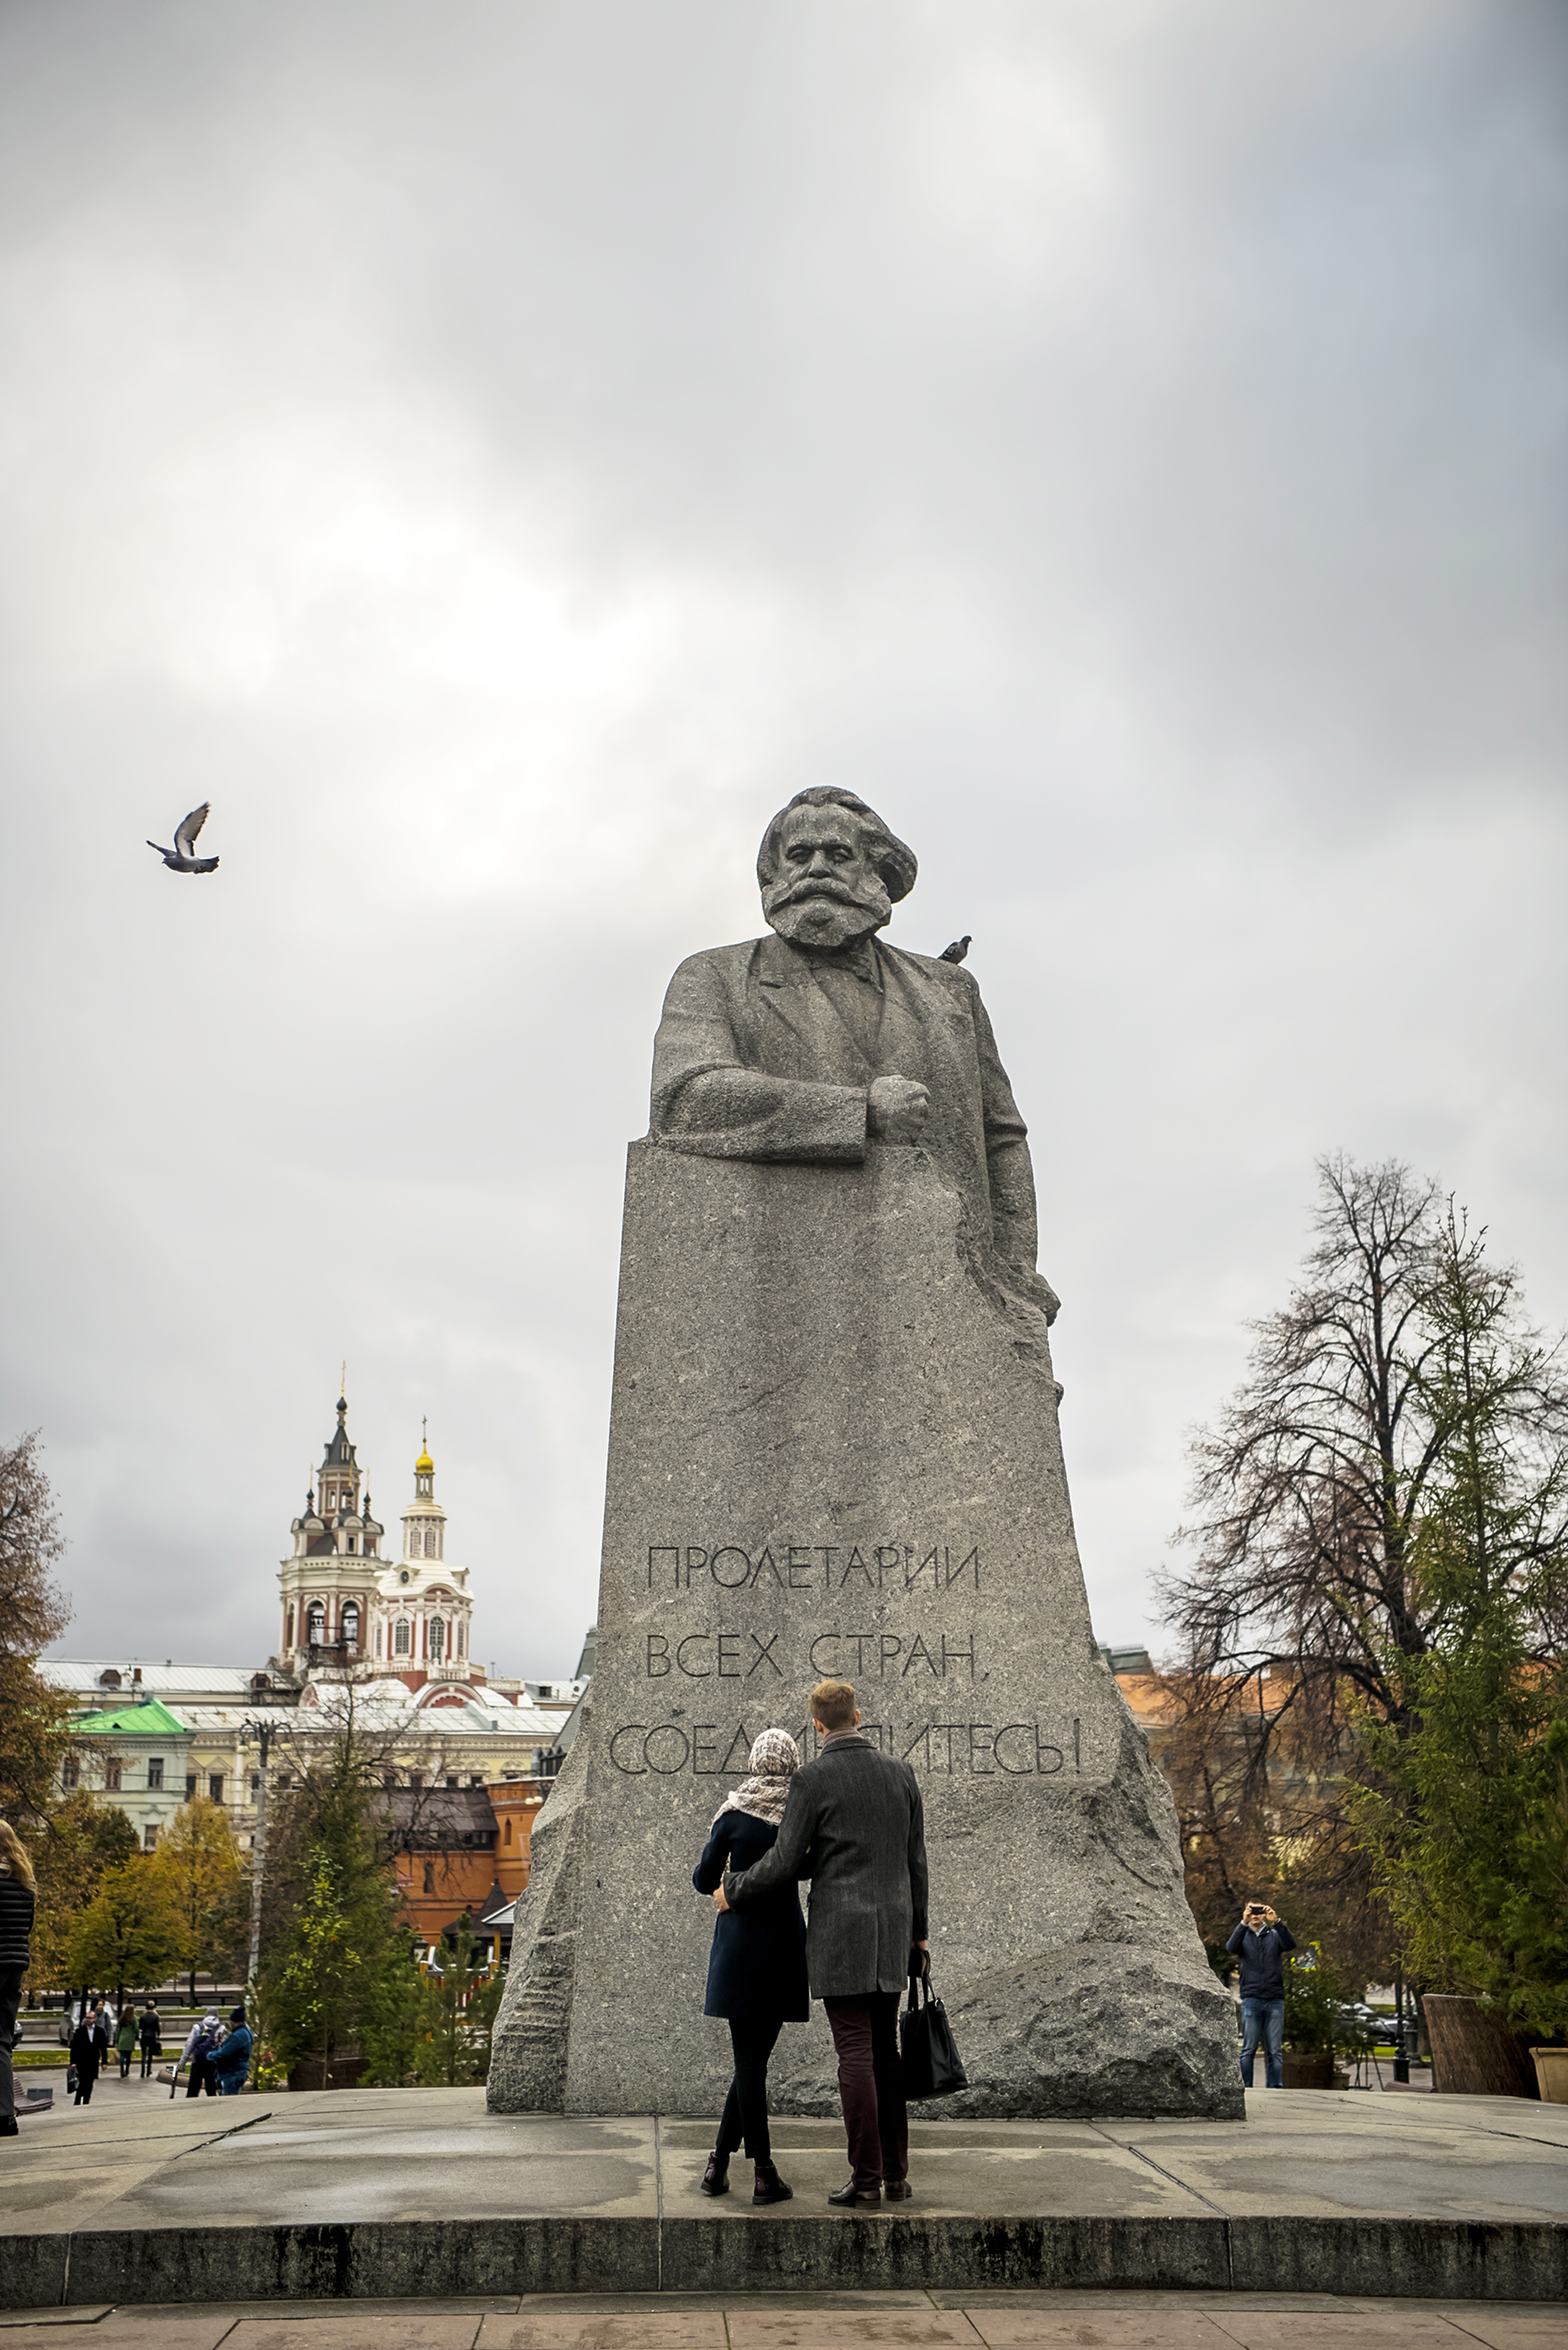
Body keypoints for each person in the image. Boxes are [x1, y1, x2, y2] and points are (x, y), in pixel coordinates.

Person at [650, 788, 1058, 1327]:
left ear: (874, 872)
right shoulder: (713, 977)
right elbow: (684, 1098)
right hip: (782, 1294)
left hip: (954, 1291)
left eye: (838, 856)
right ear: (773, 876)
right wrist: (857, 1112)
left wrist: (1014, 1271)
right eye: (799, 857)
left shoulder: (951, 990)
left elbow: (1001, 1136)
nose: (817, 869)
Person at [715, 1678, 928, 2207]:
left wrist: (733, 1890)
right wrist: (919, 1935)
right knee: (886, 2051)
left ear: (816, 1725)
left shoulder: (813, 1778)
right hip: (895, 1930)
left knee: (854, 2050)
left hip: (841, 1933)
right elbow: (916, 1863)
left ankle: (865, 2178)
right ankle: (896, 2174)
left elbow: (786, 1862)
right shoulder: (901, 1773)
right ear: (858, 1715)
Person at [691, 1729, 809, 2206]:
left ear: (757, 1761)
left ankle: (729, 2166)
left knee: (749, 2064)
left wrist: (729, 1878)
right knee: (753, 2062)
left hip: (739, 1948)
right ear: (791, 1762)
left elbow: (703, 1880)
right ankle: (752, 2170)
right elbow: (804, 1869)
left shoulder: (734, 1812)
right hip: (781, 1946)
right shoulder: (799, 1815)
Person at [1226, 1902, 1296, 2090]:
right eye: (1252, 1911)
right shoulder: (1243, 1936)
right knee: (1248, 2049)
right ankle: (1245, 2087)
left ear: (1265, 1914)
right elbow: (1231, 1947)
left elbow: (1290, 1944)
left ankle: (1275, 2086)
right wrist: (1243, 1922)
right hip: (1251, 1998)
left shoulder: (1274, 1935)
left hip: (1274, 1999)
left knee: (1274, 2050)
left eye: (1259, 1912)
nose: (1256, 1915)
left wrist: (1278, 1922)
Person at [0, 1821, 37, 2138]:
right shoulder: (25, 1886)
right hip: (15, 1968)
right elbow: (27, 1929)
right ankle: (5, 2117)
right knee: (2, 2041)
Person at [210, 2006, 253, 2097]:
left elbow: (223, 2054)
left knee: (228, 2101)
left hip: (232, 2073)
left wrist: (210, 2055)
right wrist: (226, 2043)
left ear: (233, 2021)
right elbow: (235, 2048)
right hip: (239, 2072)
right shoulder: (245, 2032)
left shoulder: (238, 2035)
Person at [180, 2009, 224, 2097]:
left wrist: (182, 2063)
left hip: (198, 2060)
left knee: (193, 2088)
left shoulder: (198, 2027)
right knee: (211, 2088)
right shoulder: (221, 2028)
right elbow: (222, 2046)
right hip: (212, 2061)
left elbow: (189, 2045)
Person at [69, 2006, 102, 2106]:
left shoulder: (100, 2031)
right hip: (82, 2061)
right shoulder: (80, 2031)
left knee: (90, 2082)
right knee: (82, 2081)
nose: (88, 2020)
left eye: (90, 2018)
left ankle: (86, 2100)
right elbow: (74, 2048)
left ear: (95, 2019)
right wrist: (73, 2062)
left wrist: (104, 2062)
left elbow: (103, 2047)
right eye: (87, 2018)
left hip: (93, 2061)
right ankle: (78, 2100)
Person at [138, 1998, 162, 2078]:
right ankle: (148, 2071)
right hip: (152, 2037)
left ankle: (142, 2072)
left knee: (143, 2055)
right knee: (150, 2055)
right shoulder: (155, 2017)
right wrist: (158, 2035)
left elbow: (140, 2027)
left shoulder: (142, 2017)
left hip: (144, 2036)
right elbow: (157, 2027)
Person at [115, 2004, 137, 2078]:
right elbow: (136, 2029)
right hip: (130, 2039)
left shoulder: (122, 2019)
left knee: (122, 2055)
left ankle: (122, 2070)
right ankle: (127, 2070)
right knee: (128, 2056)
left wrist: (116, 2040)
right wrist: (136, 2037)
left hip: (122, 2038)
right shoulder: (133, 2019)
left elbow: (118, 2030)